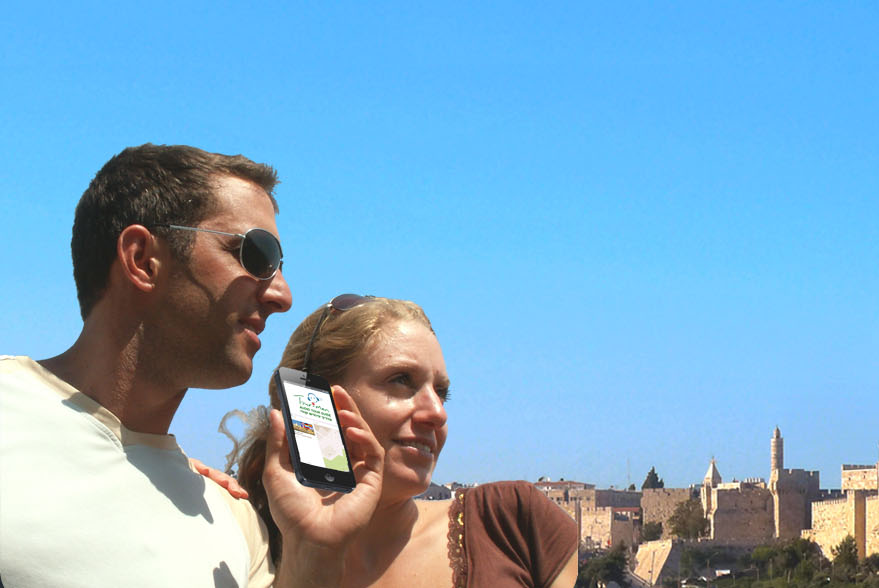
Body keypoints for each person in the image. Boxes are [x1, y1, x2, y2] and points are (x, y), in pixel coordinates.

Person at [0, 144, 384, 588]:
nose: (283, 295)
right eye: (257, 255)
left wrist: (316, 554)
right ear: (143, 260)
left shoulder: (233, 521)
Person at [230, 295, 580, 588]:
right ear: (313, 401)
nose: (437, 412)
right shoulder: (239, 554)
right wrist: (313, 554)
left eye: (441, 392)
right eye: (401, 380)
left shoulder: (512, 523)